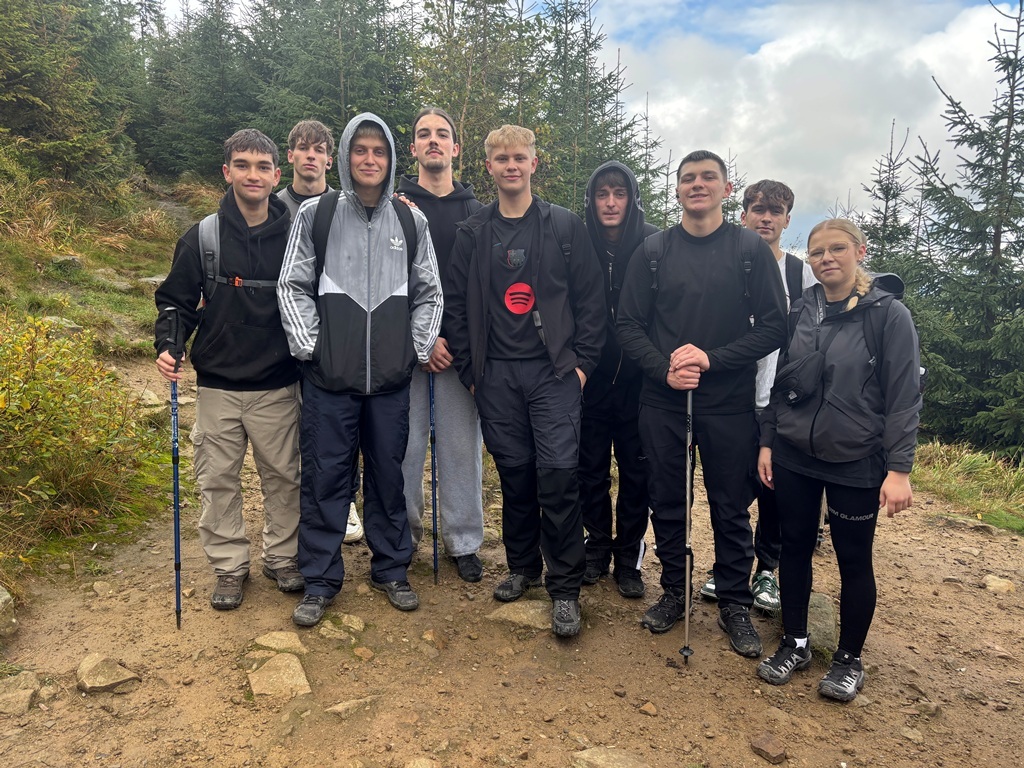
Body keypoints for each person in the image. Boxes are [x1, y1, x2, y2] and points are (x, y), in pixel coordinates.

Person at [616, 150, 787, 656]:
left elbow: (775, 327)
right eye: (688, 178)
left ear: (726, 189)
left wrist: (712, 360)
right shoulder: (653, 251)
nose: (697, 184)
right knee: (668, 502)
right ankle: (674, 591)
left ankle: (734, 602)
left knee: (730, 508)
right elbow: (627, 325)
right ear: (677, 190)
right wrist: (663, 368)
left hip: (729, 404)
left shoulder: (749, 250)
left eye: (708, 177)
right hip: (662, 401)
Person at [277, 113, 442, 626]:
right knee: (325, 478)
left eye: (380, 151)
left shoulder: (412, 221)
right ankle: (320, 580)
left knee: (389, 478)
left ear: (391, 158)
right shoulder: (317, 214)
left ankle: (391, 569)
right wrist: (312, 348)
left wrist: (412, 349)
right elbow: (292, 285)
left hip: (391, 383)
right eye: (361, 150)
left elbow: (429, 293)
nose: (370, 160)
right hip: (329, 381)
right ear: (346, 155)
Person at [445, 125, 606, 637]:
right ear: (488, 167)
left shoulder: (564, 226)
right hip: (495, 375)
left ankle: (565, 588)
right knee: (515, 476)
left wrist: (581, 366)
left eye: (520, 158)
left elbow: (591, 301)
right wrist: (471, 373)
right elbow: (455, 308)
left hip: (554, 373)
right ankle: (522, 567)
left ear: (534, 164)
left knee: (558, 478)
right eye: (502, 159)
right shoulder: (473, 232)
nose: (511, 166)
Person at [756, 218, 921, 702]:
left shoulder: (888, 316)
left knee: (853, 558)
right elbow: (781, 382)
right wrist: (768, 441)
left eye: (837, 249)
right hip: (793, 453)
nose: (826, 258)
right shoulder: (800, 310)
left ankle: (849, 659)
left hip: (856, 458)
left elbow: (904, 396)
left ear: (860, 251)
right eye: (817, 252)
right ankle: (795, 642)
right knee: (794, 547)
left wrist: (899, 470)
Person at [154, 128, 303, 610]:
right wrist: (169, 344)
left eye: (262, 167)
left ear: (277, 175)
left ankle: (283, 558)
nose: (252, 175)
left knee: (285, 477)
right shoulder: (203, 236)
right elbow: (175, 301)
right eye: (242, 165)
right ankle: (229, 567)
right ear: (227, 171)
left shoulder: (297, 235)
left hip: (278, 383)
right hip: (217, 385)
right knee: (217, 479)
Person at [699, 179, 816, 613]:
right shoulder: (725, 261)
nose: (766, 218)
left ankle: (767, 569)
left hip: (781, 398)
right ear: (743, 214)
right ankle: (730, 566)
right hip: (732, 396)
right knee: (733, 487)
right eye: (758, 210)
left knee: (774, 487)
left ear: (787, 219)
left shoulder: (799, 273)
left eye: (775, 211)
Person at [397, 107, 486, 582]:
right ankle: (402, 537)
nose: (433, 140)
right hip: (404, 353)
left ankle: (464, 540)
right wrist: (421, 340)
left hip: (459, 354)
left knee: (460, 451)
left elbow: (480, 289)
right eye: (424, 134)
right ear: (412, 147)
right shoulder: (395, 208)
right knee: (404, 449)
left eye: (442, 134)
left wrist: (454, 343)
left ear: (456, 147)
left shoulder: (478, 214)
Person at [277, 119, 365, 546]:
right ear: (290, 155)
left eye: (319, 149)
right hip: (280, 338)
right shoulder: (273, 207)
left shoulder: (345, 206)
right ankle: (296, 511)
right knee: (292, 432)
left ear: (331, 159)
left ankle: (345, 500)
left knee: (341, 428)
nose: (310, 155)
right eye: (303, 147)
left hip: (335, 338)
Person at [579, 161, 659, 598]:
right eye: (602, 194)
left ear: (632, 199)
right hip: (589, 379)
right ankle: (596, 547)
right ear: (591, 200)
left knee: (636, 474)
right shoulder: (578, 241)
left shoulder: (654, 243)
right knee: (589, 470)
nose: (610, 203)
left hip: (640, 383)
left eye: (619, 193)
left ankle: (629, 556)